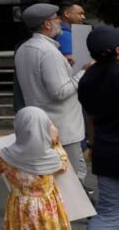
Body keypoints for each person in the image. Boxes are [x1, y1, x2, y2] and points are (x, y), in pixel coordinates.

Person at [14, 3, 90, 181]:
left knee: (51, 180)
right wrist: (83, 73)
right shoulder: (48, 52)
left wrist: (65, 66)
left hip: (41, 127)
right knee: (73, 180)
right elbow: (60, 91)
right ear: (47, 24)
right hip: (63, 128)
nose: (59, 22)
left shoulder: (24, 49)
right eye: (56, 18)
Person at [0, 106, 71, 229]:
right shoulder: (55, 155)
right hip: (48, 207)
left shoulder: (3, 156)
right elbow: (63, 168)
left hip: (20, 208)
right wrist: (55, 138)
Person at [78, 27, 119, 229]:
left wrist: (93, 146)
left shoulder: (87, 79)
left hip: (106, 151)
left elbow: (91, 118)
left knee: (109, 213)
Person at [57, 1, 86, 67]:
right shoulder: (64, 35)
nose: (83, 17)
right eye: (80, 14)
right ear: (67, 14)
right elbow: (72, 63)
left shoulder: (63, 32)